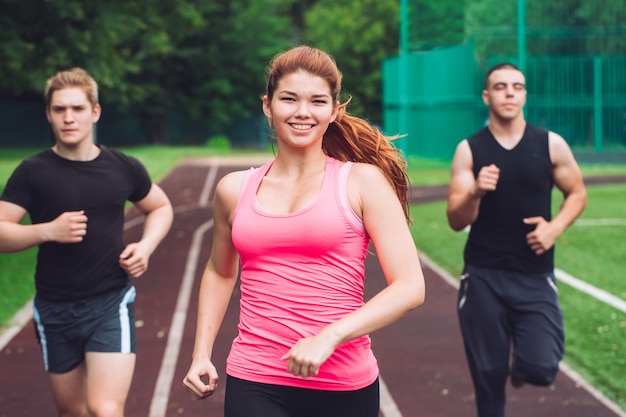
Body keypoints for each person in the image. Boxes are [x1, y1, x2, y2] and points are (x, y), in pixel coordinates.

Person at [182, 45, 426, 417]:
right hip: (255, 375)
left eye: (316, 101)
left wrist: (330, 336)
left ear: (333, 110)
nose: (302, 112)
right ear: (267, 105)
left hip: (343, 381)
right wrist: (202, 352)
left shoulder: (362, 183)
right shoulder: (234, 190)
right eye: (289, 99)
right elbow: (220, 270)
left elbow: (410, 286)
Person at [0, 67, 174, 417]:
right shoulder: (32, 172)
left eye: (77, 108)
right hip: (54, 308)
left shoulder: (123, 167)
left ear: (95, 112)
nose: (69, 118)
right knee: (73, 410)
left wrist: (146, 246)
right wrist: (47, 231)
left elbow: (161, 207)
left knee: (105, 409)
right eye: (60, 109)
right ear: (48, 114)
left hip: (108, 302)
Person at [446, 62, 587, 417]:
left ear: (524, 94)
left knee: (540, 367)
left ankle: (523, 369)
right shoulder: (470, 149)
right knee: (488, 379)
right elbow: (455, 219)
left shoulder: (550, 144)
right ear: (486, 95)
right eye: (500, 86)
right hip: (483, 276)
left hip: (534, 275)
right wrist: (476, 191)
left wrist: (554, 228)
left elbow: (578, 194)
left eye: (517, 86)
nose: (510, 92)